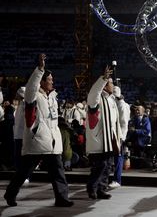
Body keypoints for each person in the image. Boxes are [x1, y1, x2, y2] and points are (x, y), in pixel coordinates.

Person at [3, 53, 73, 207]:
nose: (52, 82)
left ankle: (62, 198)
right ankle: (10, 193)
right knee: (24, 172)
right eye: (49, 80)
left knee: (58, 172)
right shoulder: (32, 95)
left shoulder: (52, 97)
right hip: (37, 141)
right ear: (41, 82)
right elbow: (31, 87)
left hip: (52, 142)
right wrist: (40, 69)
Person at [85, 66, 122, 200]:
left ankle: (101, 188)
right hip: (99, 140)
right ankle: (92, 187)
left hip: (109, 138)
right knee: (99, 166)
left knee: (107, 166)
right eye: (111, 83)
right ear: (105, 86)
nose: (113, 85)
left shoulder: (111, 100)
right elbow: (94, 92)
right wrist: (103, 79)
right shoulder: (96, 99)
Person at [109, 86, 130, 188]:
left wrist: (121, 137)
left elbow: (124, 123)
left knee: (118, 157)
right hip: (115, 134)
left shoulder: (122, 106)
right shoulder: (117, 104)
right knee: (116, 157)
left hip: (119, 135)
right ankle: (115, 179)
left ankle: (117, 180)